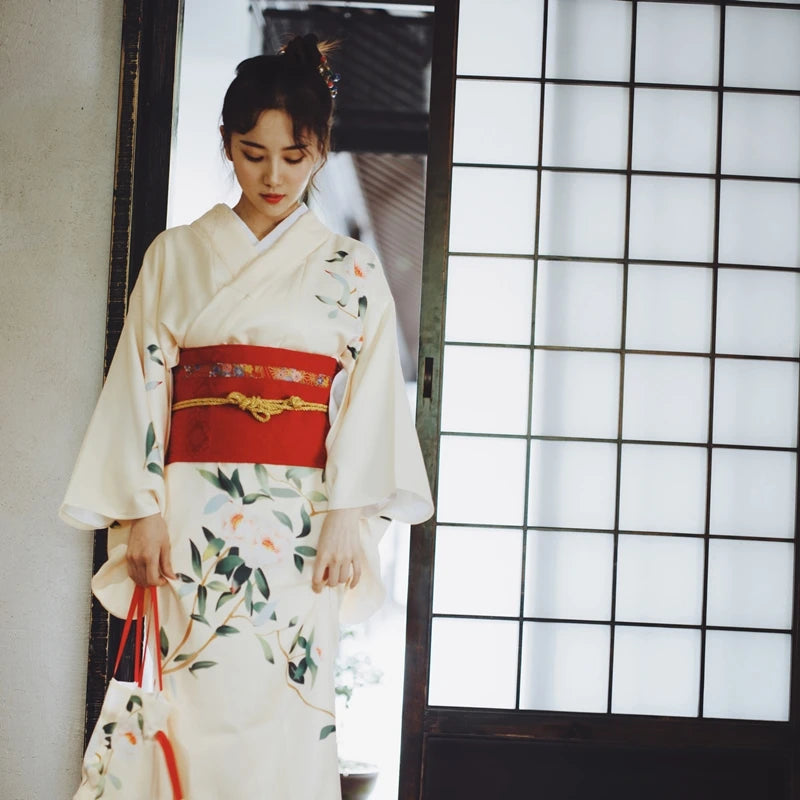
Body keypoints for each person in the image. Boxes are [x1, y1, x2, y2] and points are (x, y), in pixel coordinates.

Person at [61, 33, 433, 799]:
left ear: (322, 149)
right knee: (190, 709)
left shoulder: (352, 270)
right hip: (193, 521)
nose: (273, 175)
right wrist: (143, 511)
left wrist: (344, 515)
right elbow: (142, 380)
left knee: (289, 711)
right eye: (252, 152)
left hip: (301, 530)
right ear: (226, 145)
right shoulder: (176, 255)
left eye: (294, 156)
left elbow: (366, 401)